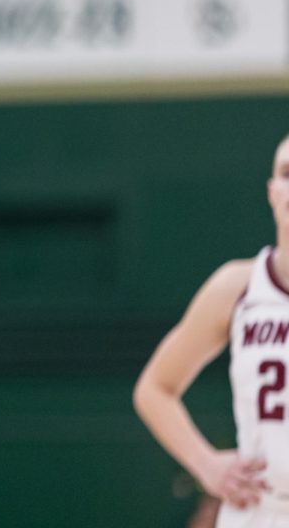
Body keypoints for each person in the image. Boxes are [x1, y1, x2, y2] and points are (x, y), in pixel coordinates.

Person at [134, 135, 289, 526]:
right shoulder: (238, 288)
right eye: (287, 174)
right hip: (259, 510)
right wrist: (206, 464)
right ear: (272, 193)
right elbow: (154, 388)